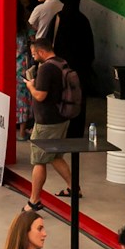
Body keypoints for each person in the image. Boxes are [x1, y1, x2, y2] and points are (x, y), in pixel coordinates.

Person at [23, 35, 73, 206]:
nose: (33, 57)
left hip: (47, 121)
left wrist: (30, 86)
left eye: (34, 54)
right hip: (62, 117)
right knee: (54, 156)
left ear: (42, 52)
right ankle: (74, 187)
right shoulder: (62, 62)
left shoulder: (46, 68)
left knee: (39, 160)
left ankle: (34, 200)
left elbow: (40, 95)